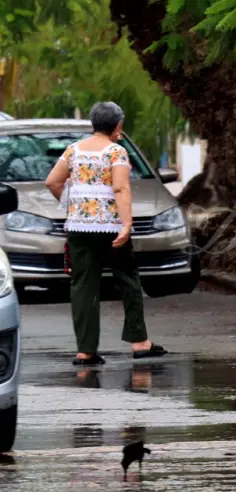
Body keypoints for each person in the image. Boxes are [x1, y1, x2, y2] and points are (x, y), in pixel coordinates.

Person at [45, 101, 166, 365]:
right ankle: (139, 342)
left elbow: (52, 181)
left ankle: (85, 350)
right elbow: (121, 189)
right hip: (110, 228)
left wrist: (72, 204)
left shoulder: (73, 151)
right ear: (118, 125)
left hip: (78, 227)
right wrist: (126, 224)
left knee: (83, 285)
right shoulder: (116, 152)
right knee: (127, 279)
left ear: (92, 123)